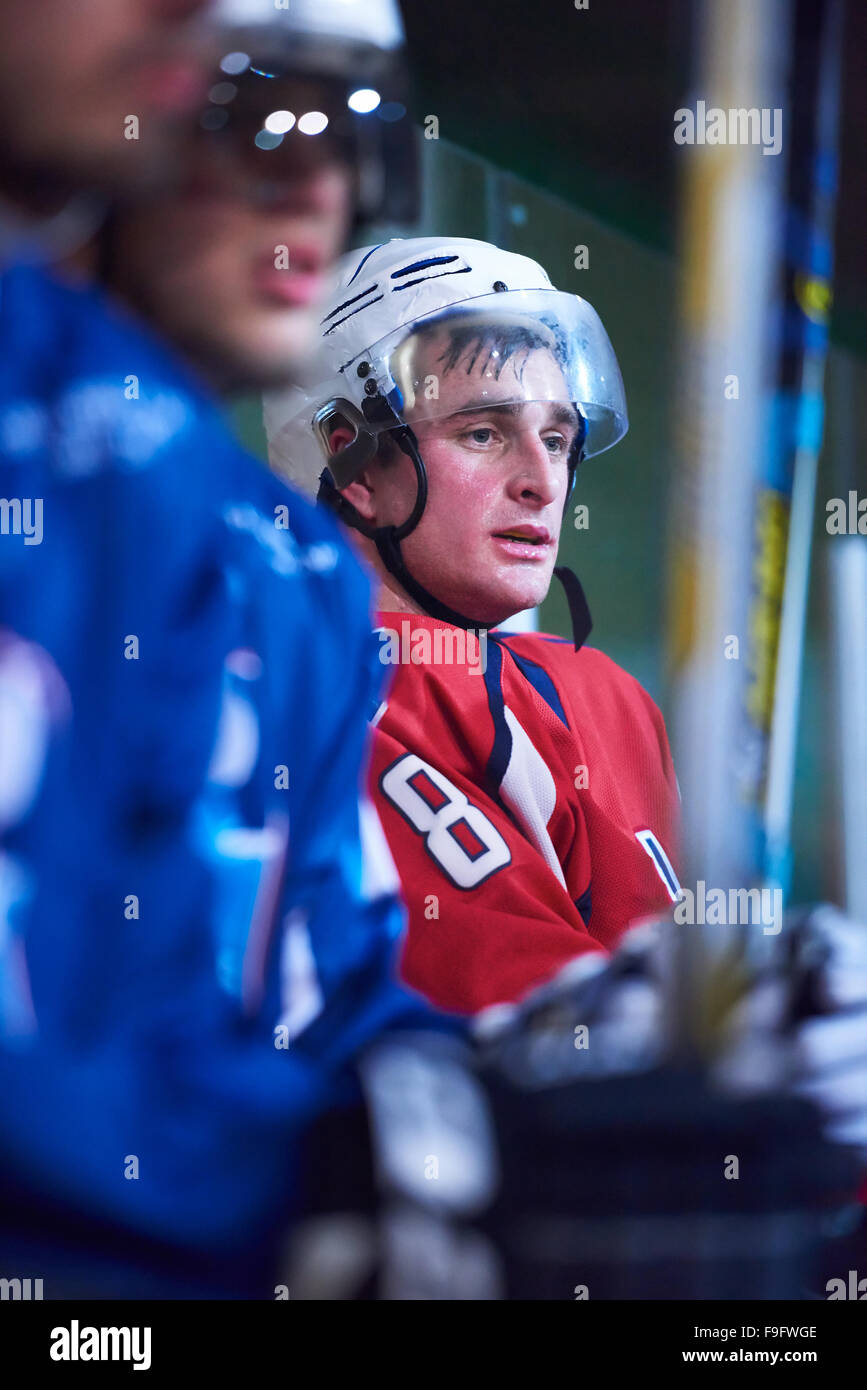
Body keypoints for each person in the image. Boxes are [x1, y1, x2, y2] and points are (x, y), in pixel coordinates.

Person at [0, 0, 437, 1299]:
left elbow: (310, 997)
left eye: (353, 130)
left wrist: (559, 1071)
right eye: (256, 114)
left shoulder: (262, 541)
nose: (320, 187)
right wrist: (322, 1174)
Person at [265, 235, 682, 1013]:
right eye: (483, 433)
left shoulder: (603, 691)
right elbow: (526, 1023)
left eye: (557, 439)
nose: (541, 481)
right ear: (353, 464)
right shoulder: (349, 698)